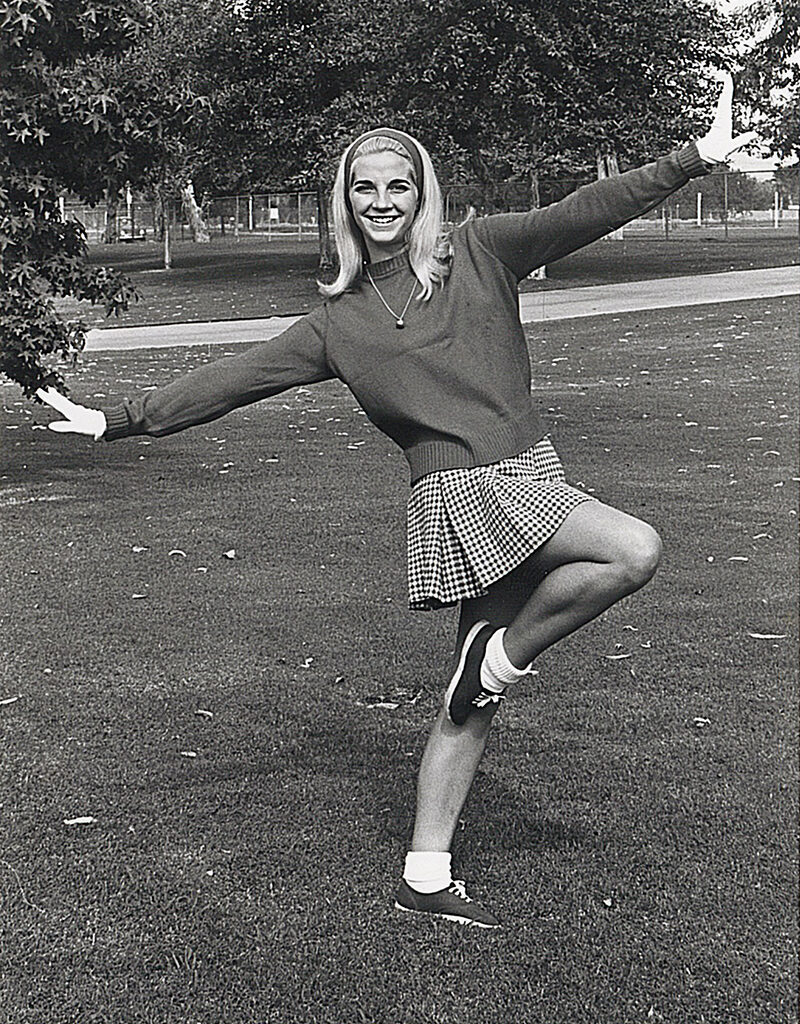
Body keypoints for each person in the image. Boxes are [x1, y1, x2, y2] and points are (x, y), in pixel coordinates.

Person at [37, 75, 754, 929]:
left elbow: (586, 208)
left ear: (422, 196)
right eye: (364, 188)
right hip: (467, 494)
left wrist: (694, 158)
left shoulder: (482, 253)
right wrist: (116, 419)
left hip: (531, 477)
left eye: (398, 186)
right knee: (631, 550)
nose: (382, 201)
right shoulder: (337, 323)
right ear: (345, 203)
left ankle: (425, 868)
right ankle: (498, 660)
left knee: (468, 703)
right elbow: (231, 381)